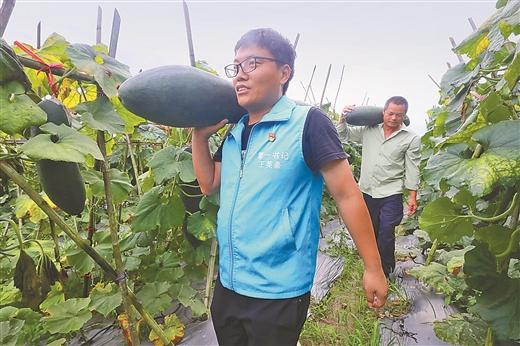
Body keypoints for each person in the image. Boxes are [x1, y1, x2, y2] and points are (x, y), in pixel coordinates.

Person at [192, 28, 387, 346]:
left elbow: (347, 195)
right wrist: (198, 136)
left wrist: (373, 267)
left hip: (278, 290)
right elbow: (208, 183)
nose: (240, 75)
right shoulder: (237, 131)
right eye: (236, 66)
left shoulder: (307, 122)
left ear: (284, 72)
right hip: (229, 284)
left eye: (252, 63)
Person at [338, 97, 421, 278]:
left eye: (399, 115)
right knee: (371, 231)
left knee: (386, 232)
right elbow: (344, 136)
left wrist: (412, 195)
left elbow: (413, 168)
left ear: (404, 116)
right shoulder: (368, 130)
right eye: (390, 113)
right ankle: (372, 267)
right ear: (383, 112)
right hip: (367, 191)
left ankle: (386, 271)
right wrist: (342, 118)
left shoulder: (411, 138)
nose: (393, 118)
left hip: (391, 192)